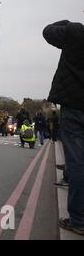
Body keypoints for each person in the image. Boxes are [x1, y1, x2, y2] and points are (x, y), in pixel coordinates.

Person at [43, 19, 84, 236]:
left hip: (75, 107)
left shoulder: (75, 32)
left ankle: (78, 219)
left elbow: (47, 31)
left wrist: (67, 23)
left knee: (77, 162)